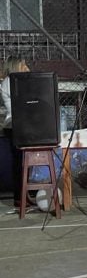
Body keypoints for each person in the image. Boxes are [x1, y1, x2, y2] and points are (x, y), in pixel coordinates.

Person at [0, 57, 31, 207]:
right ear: (16, 67)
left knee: (25, 161)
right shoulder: (9, 82)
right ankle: (20, 196)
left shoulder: (18, 81)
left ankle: (24, 195)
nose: (26, 68)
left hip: (22, 125)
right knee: (20, 162)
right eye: (23, 65)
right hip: (15, 125)